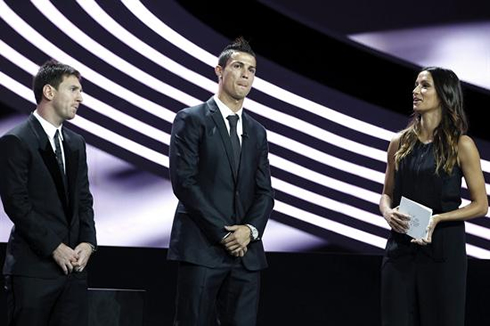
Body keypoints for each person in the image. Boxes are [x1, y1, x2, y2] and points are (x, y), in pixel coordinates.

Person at [168, 37, 274, 326]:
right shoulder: (192, 119)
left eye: (251, 70)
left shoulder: (258, 131)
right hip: (202, 248)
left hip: (247, 256)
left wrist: (249, 231)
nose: (245, 75)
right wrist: (225, 234)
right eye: (238, 66)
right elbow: (185, 183)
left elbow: (265, 193)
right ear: (219, 71)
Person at [379, 67, 488, 326]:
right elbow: (386, 194)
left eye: (424, 86)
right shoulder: (399, 142)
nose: (415, 91)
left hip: (443, 253)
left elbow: (481, 205)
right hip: (400, 252)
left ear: (443, 94)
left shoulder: (461, 145)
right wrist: (387, 212)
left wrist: (438, 219)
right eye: (416, 85)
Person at [0, 60, 97, 326]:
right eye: (73, 89)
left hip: (74, 274)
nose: (80, 97)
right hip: (33, 272)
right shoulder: (16, 140)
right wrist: (54, 247)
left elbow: (83, 199)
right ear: (49, 92)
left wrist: (88, 243)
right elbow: (16, 204)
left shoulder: (76, 143)